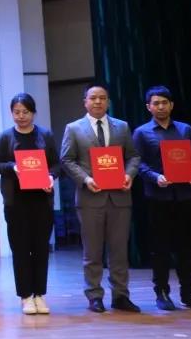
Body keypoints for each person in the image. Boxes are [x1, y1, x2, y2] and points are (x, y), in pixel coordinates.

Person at [60, 84, 140, 313]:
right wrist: (85, 179)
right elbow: (66, 159)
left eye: (102, 98)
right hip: (89, 198)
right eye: (93, 98)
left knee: (119, 251)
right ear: (85, 102)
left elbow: (133, 156)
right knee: (92, 252)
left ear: (108, 102)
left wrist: (129, 174)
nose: (98, 102)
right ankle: (94, 295)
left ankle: (121, 295)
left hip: (119, 198)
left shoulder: (122, 127)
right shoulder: (74, 128)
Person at [133, 85, 191, 311]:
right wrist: (155, 177)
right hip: (158, 198)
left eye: (164, 103)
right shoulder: (141, 133)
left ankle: (188, 292)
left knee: (187, 247)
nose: (160, 107)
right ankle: (162, 292)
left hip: (186, 196)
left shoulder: (185, 130)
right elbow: (137, 163)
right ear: (148, 107)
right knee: (160, 248)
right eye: (156, 103)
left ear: (171, 105)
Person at [0, 92, 59, 315]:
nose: (21, 116)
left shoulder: (45, 135)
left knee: (40, 248)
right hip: (16, 202)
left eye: (25, 112)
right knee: (20, 249)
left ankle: (40, 294)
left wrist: (50, 177)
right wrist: (12, 167)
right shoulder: (6, 137)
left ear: (33, 113)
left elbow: (57, 164)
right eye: (16, 112)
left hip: (41, 201)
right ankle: (26, 296)